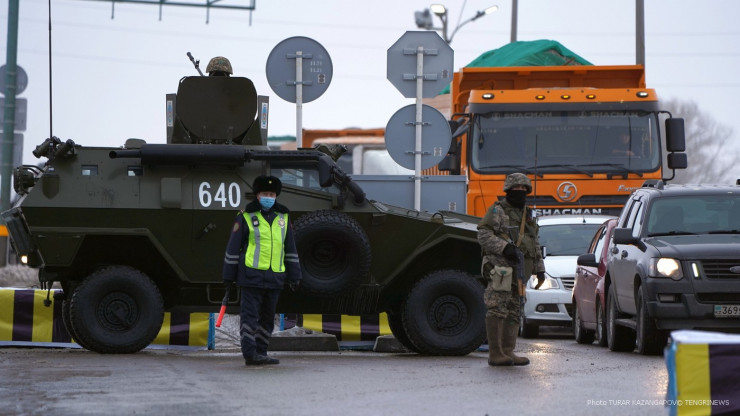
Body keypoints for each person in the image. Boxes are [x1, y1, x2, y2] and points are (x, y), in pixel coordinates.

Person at [222, 175, 302, 366]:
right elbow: (233, 248)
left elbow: (290, 248)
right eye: (265, 194)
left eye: (272, 194)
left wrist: (294, 275)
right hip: (252, 276)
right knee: (249, 318)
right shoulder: (246, 216)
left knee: (267, 319)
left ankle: (261, 352)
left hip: (275, 278)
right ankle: (250, 354)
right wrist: (228, 276)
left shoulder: (283, 217)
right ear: (257, 195)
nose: (269, 197)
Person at [477, 173, 545, 366]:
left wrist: (540, 269)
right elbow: (483, 234)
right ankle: (495, 353)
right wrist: (504, 247)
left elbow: (534, 242)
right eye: (516, 188)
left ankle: (508, 351)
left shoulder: (527, 214)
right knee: (497, 306)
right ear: (508, 190)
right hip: (501, 268)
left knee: (515, 309)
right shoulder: (497, 210)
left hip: (522, 270)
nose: (520, 192)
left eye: (524, 189)